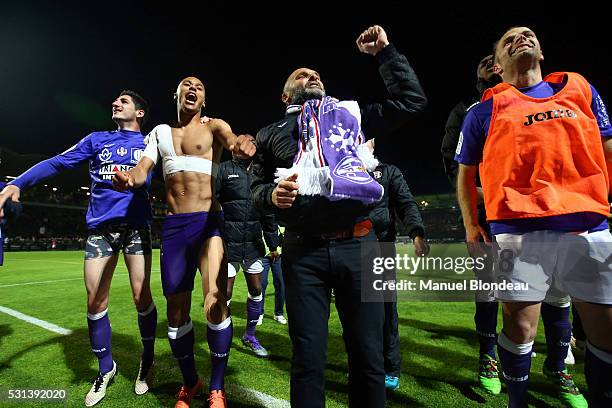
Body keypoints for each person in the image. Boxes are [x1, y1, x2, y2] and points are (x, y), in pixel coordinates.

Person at [251, 25, 427, 408]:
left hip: (361, 246)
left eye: (316, 74)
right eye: (301, 75)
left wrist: (385, 53)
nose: (312, 76)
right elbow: (254, 191)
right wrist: (270, 194)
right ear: (286, 94)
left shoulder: (350, 116)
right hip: (304, 253)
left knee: (368, 357)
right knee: (308, 359)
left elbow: (411, 101)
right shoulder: (269, 134)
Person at [456, 26, 612, 408]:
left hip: (589, 225)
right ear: (496, 65)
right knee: (520, 326)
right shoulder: (484, 110)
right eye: (508, 40)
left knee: (605, 332)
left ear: (541, 52)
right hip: (519, 232)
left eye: (528, 35)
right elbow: (465, 173)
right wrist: (472, 225)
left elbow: (607, 147)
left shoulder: (580, 88)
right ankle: (518, 401)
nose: (520, 39)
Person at [0, 91, 157, 406]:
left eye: (124, 101)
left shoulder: (152, 142)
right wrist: (17, 182)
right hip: (100, 228)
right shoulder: (97, 139)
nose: (116, 103)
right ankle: (105, 368)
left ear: (140, 113)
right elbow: (58, 163)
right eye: (114, 100)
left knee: (142, 296)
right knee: (95, 301)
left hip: (136, 227)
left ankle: (148, 359)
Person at [113, 76, 255, 408]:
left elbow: (234, 142)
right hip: (176, 229)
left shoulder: (214, 126)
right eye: (186, 85)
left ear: (203, 99)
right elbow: (141, 170)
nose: (192, 89)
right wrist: (128, 179)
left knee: (215, 301)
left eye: (199, 87)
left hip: (209, 223)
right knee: (175, 316)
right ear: (176, 94)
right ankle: (191, 382)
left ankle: (216, 388)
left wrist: (241, 145)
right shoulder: (160, 132)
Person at [443, 54, 577, 396]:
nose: (489, 63)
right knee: (490, 289)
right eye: (483, 61)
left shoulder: (543, 100)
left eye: (495, 59)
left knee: (556, 290)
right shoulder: (468, 111)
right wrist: (485, 199)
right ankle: (488, 356)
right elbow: (455, 165)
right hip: (493, 216)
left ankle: (558, 364)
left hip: (546, 213)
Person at [366, 139, 429, 391]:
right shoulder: (341, 169)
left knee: (385, 312)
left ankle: (390, 368)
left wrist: (416, 233)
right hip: (347, 249)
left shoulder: (388, 172)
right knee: (356, 315)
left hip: (380, 249)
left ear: (372, 142)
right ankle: (363, 365)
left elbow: (406, 203)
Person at [215, 154, 281, 357]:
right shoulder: (224, 169)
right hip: (228, 245)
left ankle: (250, 335)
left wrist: (273, 244)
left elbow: (268, 213)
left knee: (256, 288)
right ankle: (223, 336)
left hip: (253, 245)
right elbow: (211, 199)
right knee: (225, 293)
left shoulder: (260, 173)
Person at [259, 225, 286, 325]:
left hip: (278, 256)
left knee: (280, 284)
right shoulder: (262, 216)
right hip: (263, 255)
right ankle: (259, 313)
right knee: (261, 284)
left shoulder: (280, 218)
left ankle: (279, 313)